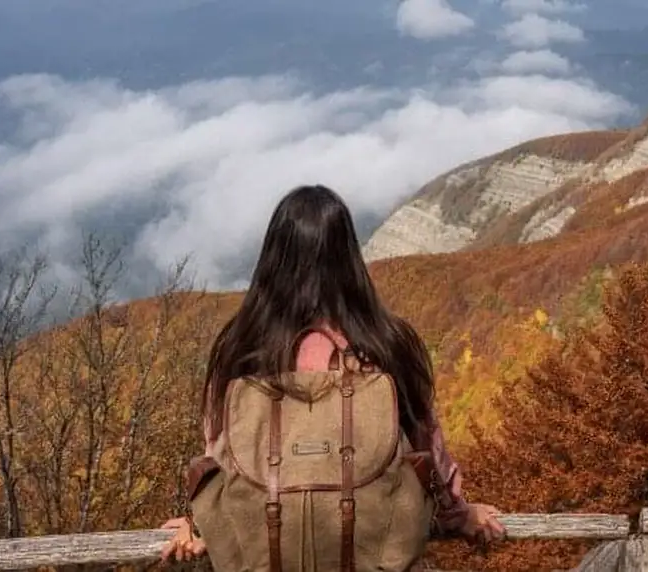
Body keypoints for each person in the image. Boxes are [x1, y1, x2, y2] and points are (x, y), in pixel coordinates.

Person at [160, 184, 505, 566]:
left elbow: (220, 452)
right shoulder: (385, 344)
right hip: (372, 553)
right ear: (349, 257)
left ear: (273, 258)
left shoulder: (241, 348)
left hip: (265, 555)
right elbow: (428, 444)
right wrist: (459, 513)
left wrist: (201, 521)